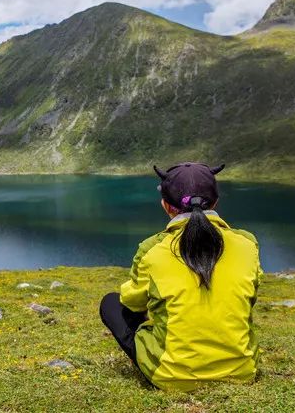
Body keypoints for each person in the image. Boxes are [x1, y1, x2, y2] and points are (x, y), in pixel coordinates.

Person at [99, 162, 262, 391]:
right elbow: (250, 298)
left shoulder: (152, 249)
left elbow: (131, 303)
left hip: (172, 376)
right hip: (242, 372)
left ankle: (164, 358)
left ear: (166, 205)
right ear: (215, 201)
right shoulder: (247, 244)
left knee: (111, 303)